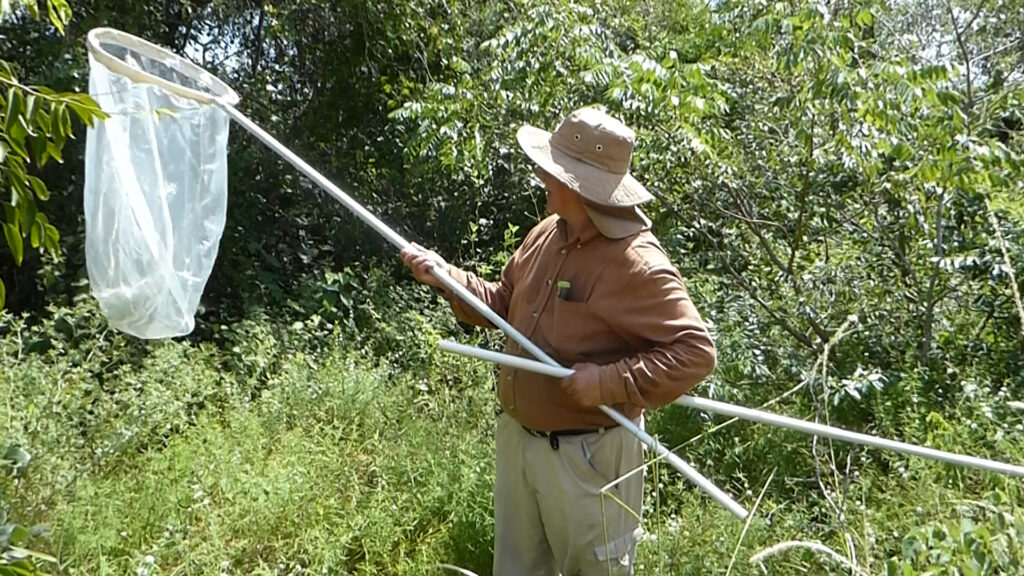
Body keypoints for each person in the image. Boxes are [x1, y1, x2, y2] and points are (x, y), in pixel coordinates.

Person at [400, 106, 716, 575]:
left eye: (552, 169)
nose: (542, 176)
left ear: (579, 184)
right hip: (521, 443)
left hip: (587, 457)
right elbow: (503, 303)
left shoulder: (637, 263)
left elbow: (696, 352)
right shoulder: (548, 232)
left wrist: (608, 383)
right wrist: (447, 279)